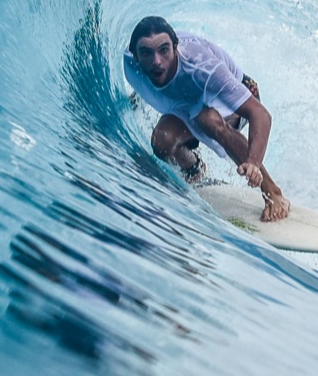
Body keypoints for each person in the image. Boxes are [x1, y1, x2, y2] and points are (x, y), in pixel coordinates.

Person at [121, 15, 290, 222]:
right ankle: (194, 170)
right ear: (136, 56)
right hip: (190, 101)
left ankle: (272, 191)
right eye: (146, 53)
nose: (156, 61)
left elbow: (260, 114)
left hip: (239, 91)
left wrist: (253, 162)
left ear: (175, 48)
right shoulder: (131, 62)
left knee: (207, 120)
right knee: (162, 140)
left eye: (164, 50)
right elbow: (153, 80)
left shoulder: (202, 69)